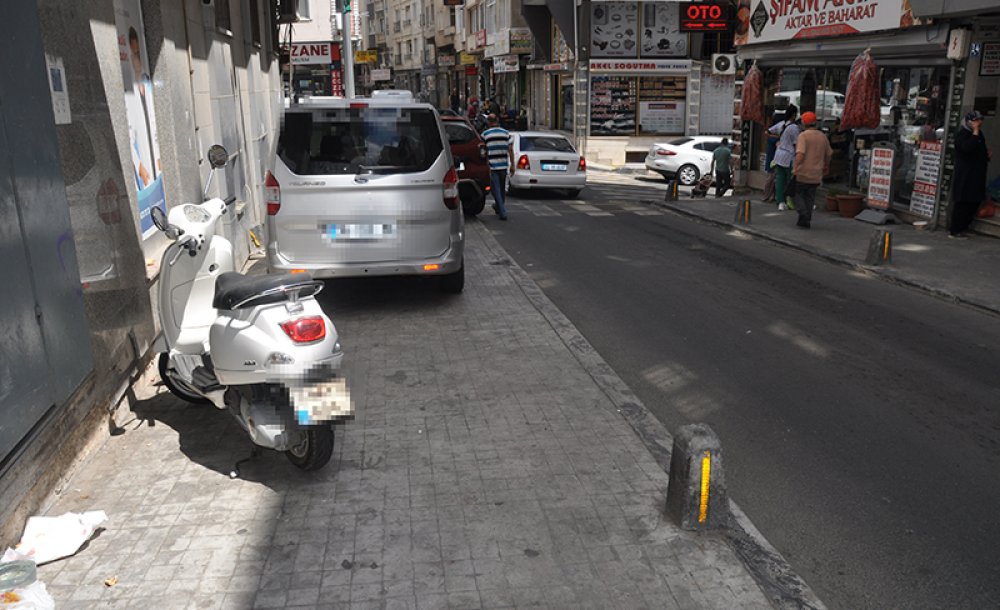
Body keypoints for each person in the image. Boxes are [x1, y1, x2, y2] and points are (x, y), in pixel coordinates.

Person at [949, 110, 990, 238]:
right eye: (977, 121)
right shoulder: (963, 134)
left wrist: (986, 155)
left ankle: (964, 227)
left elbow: (979, 150)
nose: (979, 123)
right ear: (970, 122)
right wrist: (975, 132)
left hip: (977, 174)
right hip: (965, 175)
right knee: (963, 202)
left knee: (974, 201)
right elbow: (967, 147)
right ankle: (955, 230)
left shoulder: (979, 135)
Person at [791, 111, 832, 229]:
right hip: (816, 173)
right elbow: (829, 153)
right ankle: (805, 220)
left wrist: (795, 167)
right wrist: (826, 166)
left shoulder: (803, 136)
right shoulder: (822, 136)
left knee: (795, 193)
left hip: (803, 172)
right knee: (810, 196)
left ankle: (803, 212)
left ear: (804, 123)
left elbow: (800, 154)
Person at [768, 105, 800, 210]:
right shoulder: (794, 128)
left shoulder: (781, 124)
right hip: (789, 157)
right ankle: (789, 200)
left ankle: (780, 202)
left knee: (780, 180)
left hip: (778, 155)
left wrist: (778, 139)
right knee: (790, 180)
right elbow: (796, 144)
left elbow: (768, 132)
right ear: (794, 115)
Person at [481, 114, 512, 220]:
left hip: (493, 166)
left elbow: (483, 151)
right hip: (503, 165)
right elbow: (510, 150)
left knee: (496, 190)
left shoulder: (485, 135)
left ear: (488, 122)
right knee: (502, 189)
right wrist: (512, 165)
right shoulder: (506, 133)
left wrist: (485, 165)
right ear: (497, 120)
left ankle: (502, 212)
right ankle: (499, 207)